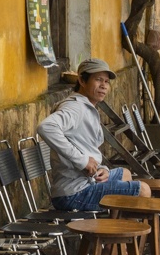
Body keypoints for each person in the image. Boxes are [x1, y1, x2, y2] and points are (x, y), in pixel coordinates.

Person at [37, 61, 144, 213]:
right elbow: (46, 127)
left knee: (125, 174)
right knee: (142, 190)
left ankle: (115, 231)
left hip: (88, 181)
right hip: (73, 194)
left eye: (106, 81)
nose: (104, 86)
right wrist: (82, 161)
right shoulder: (75, 107)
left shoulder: (87, 106)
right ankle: (130, 234)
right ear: (81, 80)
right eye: (98, 79)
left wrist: (101, 169)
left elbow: (83, 146)